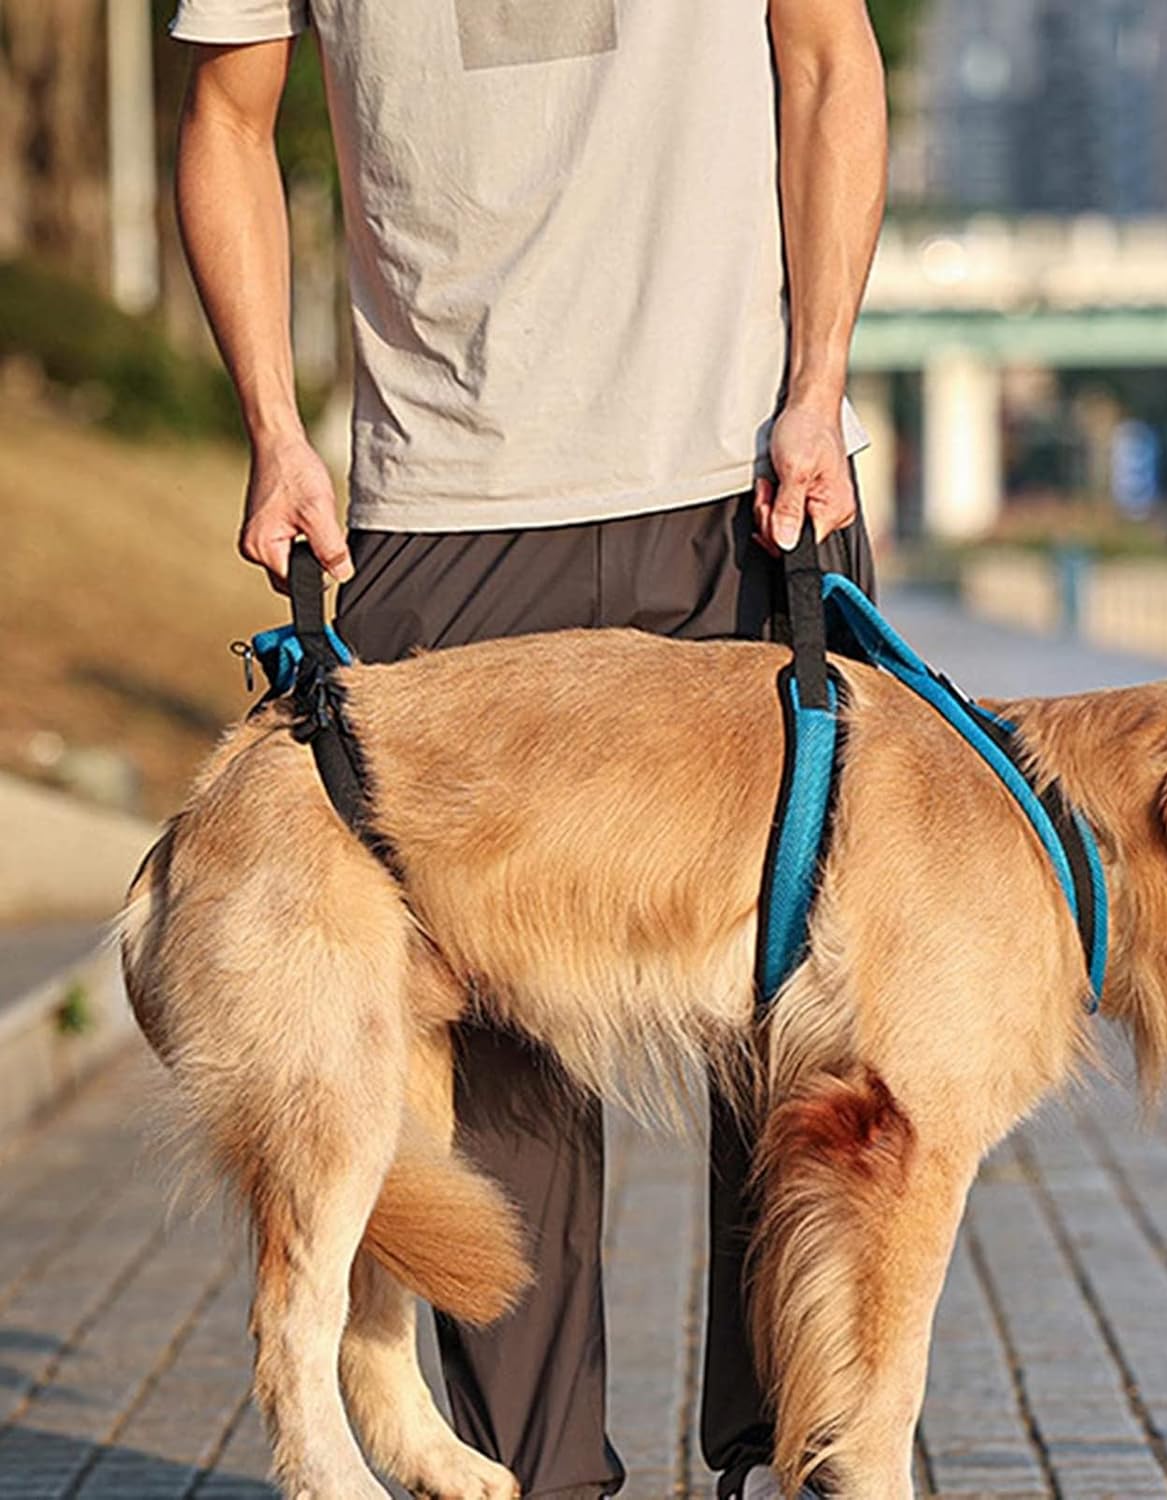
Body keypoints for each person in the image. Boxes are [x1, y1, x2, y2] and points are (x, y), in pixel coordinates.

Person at [169, 2, 887, 1495]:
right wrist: (274, 431)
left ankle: (804, 1460)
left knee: (808, 1010)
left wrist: (820, 380)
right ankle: (542, 1482)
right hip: (449, 494)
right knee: (492, 1047)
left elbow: (828, 56)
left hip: (741, 477)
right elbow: (227, 121)